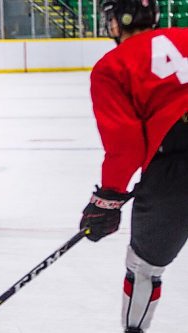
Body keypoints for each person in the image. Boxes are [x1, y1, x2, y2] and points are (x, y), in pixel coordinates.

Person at [79, 0, 187, 332]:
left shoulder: (113, 65)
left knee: (144, 267)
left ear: (117, 21)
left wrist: (107, 200)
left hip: (175, 166)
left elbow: (125, 147)